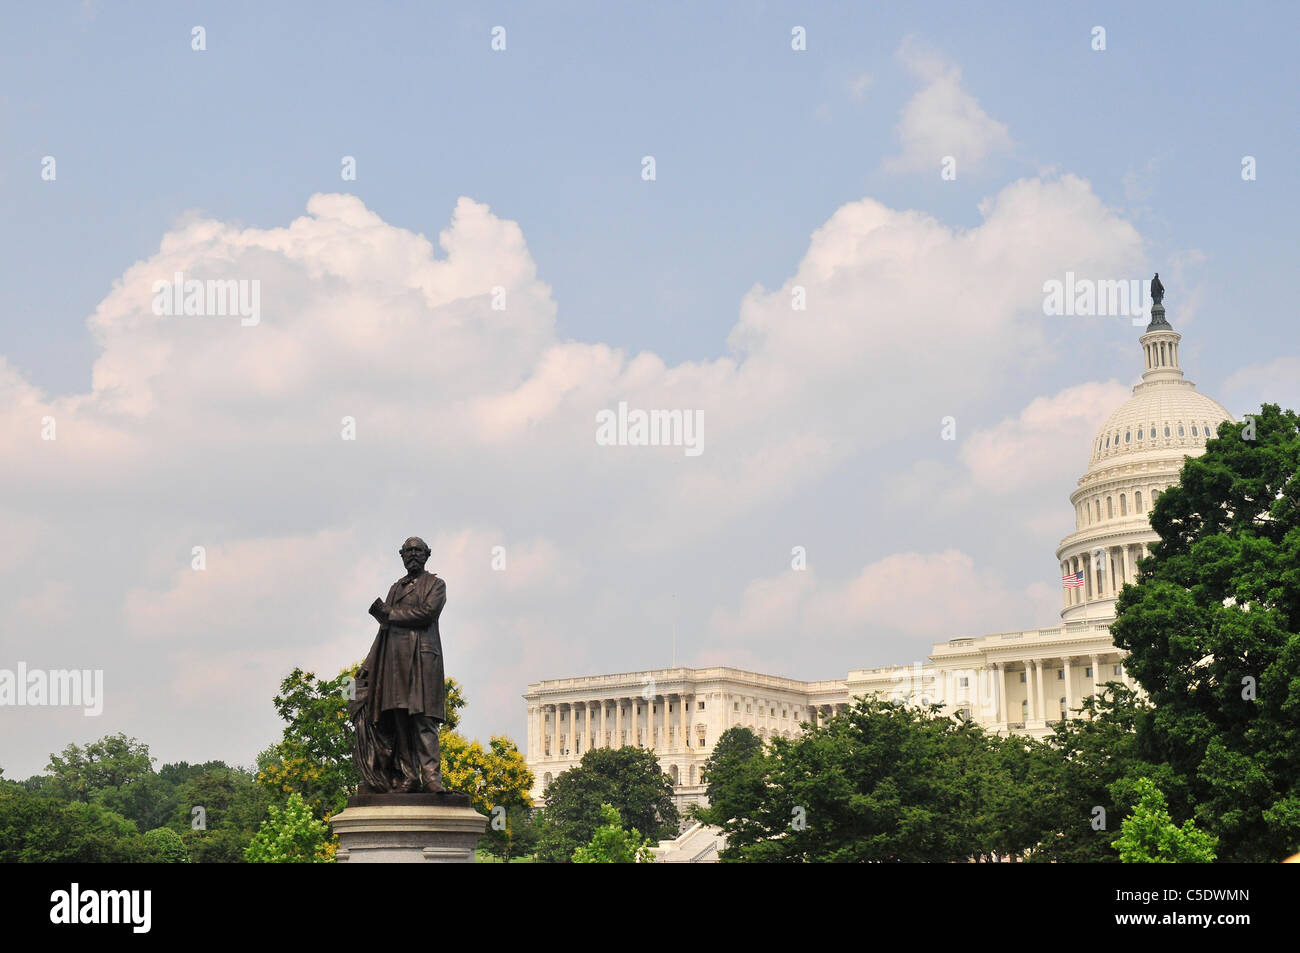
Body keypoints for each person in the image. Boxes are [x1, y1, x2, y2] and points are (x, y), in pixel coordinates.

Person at [351, 537, 447, 793]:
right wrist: (369, 664)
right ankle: (408, 776)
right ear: (401, 555)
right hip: (394, 664)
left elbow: (427, 614)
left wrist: (389, 613)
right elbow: (384, 630)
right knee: (400, 721)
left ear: (427, 554)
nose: (413, 555)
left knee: (424, 719)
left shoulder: (436, 585)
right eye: (408, 551)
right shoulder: (396, 589)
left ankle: (431, 778)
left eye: (418, 551)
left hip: (422, 660)